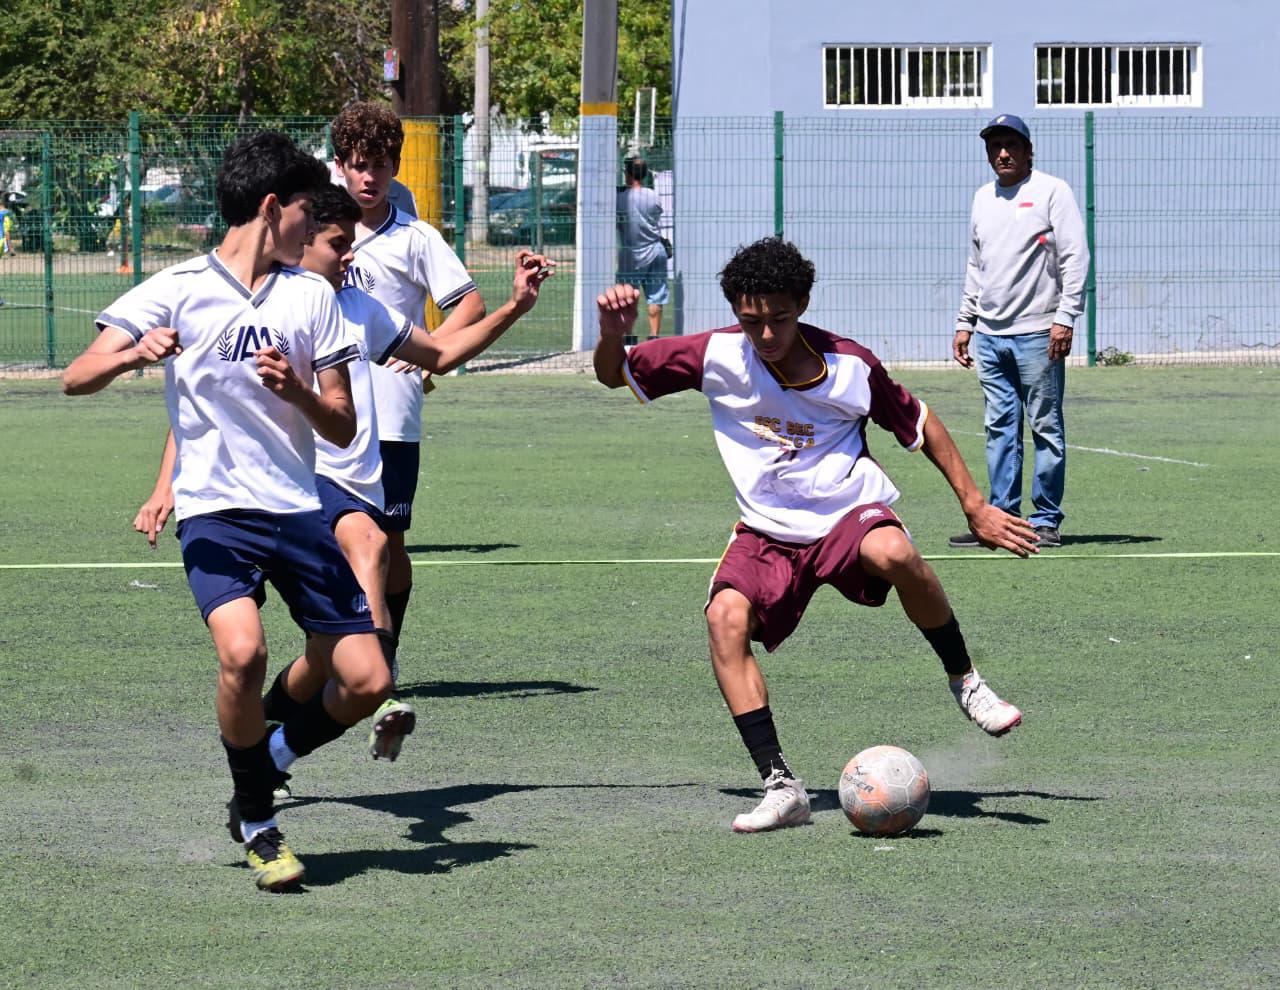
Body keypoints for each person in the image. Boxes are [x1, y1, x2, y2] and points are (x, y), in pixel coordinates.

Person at [594, 236, 1035, 833]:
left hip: (845, 514)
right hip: (766, 531)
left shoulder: (851, 365)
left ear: (801, 303)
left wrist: (975, 506)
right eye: (752, 321)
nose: (766, 334)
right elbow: (613, 375)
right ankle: (782, 786)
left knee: (894, 549)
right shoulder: (715, 355)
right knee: (723, 618)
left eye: (778, 319)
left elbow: (923, 425)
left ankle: (967, 682)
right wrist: (613, 335)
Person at [61, 131, 392, 892]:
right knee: (242, 653)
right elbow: (76, 377)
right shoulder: (175, 287)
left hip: (297, 510)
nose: (318, 229)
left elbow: (341, 424)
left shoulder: (313, 297)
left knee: (369, 679)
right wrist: (132, 355)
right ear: (273, 208)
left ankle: (268, 762)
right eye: (310, 212)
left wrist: (298, 391)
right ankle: (257, 817)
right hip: (215, 512)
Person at [133, 187, 554, 775]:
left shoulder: (359, 308)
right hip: (303, 483)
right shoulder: (257, 305)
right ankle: (383, 683)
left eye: (353, 247)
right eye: (339, 245)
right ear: (301, 240)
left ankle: (271, 747)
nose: (350, 258)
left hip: (358, 480)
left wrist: (515, 307)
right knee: (373, 542)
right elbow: (201, 407)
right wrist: (166, 485)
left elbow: (439, 353)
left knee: (320, 662)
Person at [330, 100, 487, 695]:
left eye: (381, 164)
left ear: (397, 165)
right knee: (344, 533)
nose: (369, 176)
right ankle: (351, 645)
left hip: (393, 413)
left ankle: (382, 650)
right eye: (358, 164)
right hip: (329, 412)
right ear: (340, 166)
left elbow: (467, 306)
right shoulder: (318, 234)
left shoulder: (416, 236)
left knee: (388, 537)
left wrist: (428, 353)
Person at [951, 114, 1089, 550]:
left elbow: (1075, 257)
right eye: (995, 147)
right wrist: (964, 322)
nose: (1003, 154)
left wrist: (1065, 317)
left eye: (1012, 145)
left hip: (1038, 334)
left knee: (1045, 427)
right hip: (990, 337)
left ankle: (1045, 519)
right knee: (999, 428)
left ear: (1030, 151)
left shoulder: (1053, 191)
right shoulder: (981, 198)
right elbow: (977, 267)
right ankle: (1004, 518)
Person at [616, 157, 668, 342]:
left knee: (627, 296)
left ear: (628, 174)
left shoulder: (620, 198)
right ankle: (654, 336)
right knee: (656, 295)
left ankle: (629, 337)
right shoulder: (653, 195)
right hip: (655, 249)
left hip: (631, 253)